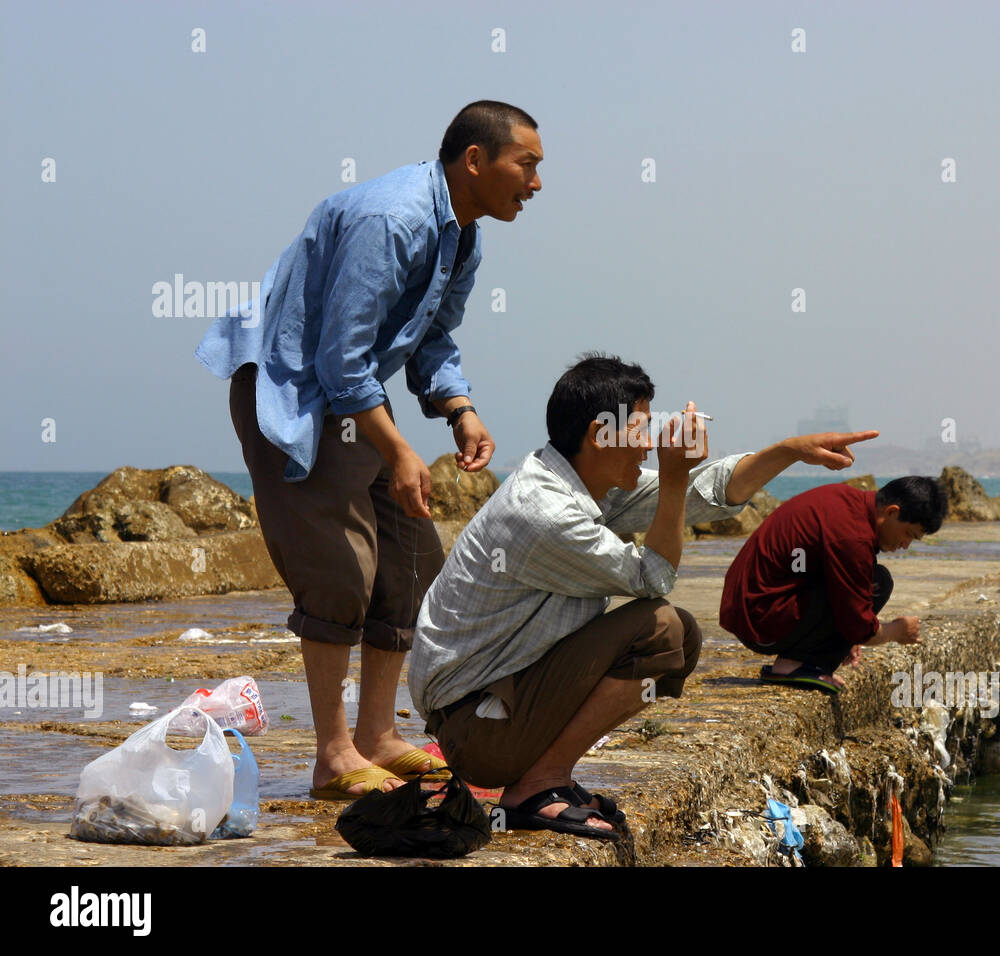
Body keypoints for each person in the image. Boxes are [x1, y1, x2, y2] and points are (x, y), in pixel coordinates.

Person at [194, 100, 543, 800]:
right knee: (338, 569)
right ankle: (333, 756)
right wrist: (399, 450)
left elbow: (432, 341)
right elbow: (339, 356)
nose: (535, 184)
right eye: (526, 165)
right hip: (291, 385)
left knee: (414, 557)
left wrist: (460, 410)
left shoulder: (462, 235)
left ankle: (380, 736)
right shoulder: (394, 219)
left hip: (351, 397)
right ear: (475, 160)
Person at [409, 354, 876, 839]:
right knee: (661, 629)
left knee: (680, 636)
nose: (650, 443)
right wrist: (673, 476)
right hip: (478, 730)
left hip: (496, 708)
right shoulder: (543, 511)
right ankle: (536, 786)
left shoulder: (582, 483)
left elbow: (704, 493)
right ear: (599, 434)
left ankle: (547, 778)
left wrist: (788, 450)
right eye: (642, 428)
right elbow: (654, 577)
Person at [719, 477, 947, 694]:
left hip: (756, 606)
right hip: (760, 619)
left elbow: (849, 592)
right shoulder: (852, 535)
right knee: (879, 583)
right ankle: (793, 666)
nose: (905, 545)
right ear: (891, 512)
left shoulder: (850, 503)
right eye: (909, 534)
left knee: (872, 581)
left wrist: (843, 638)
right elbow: (858, 625)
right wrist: (895, 631)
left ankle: (807, 663)